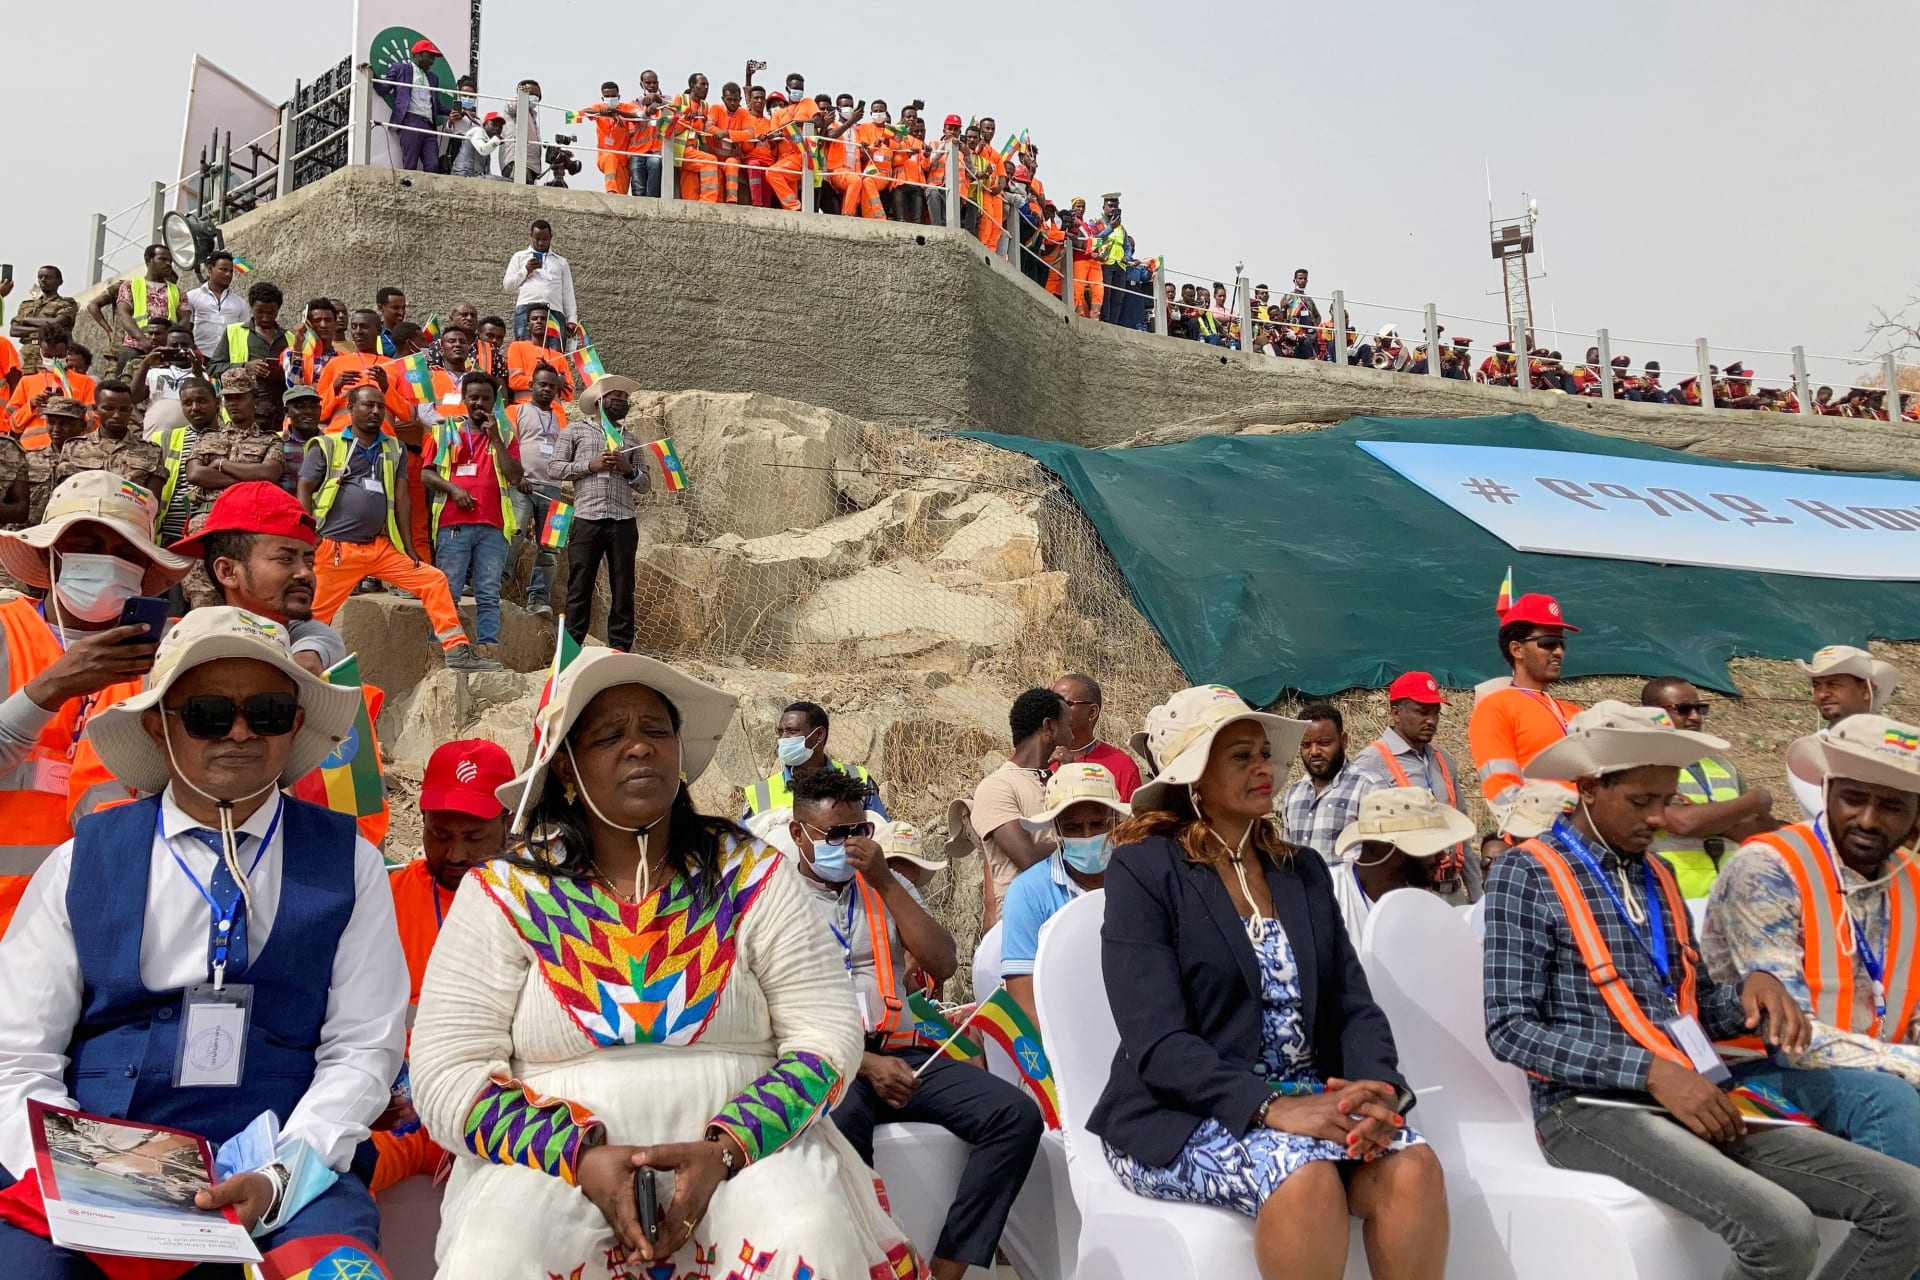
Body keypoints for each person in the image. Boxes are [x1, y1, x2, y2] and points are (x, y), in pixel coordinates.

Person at [407, 647, 922, 1278]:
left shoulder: (752, 874)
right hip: (551, 1165)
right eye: (609, 735)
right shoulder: (505, 892)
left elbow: (825, 1035)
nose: (640, 748)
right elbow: (445, 1072)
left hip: (750, 1154)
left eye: (657, 731)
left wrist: (725, 1149)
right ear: (566, 769)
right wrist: (579, 1157)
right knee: (499, 1255)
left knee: (803, 1232)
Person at [0, 605, 408, 1268]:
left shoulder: (352, 861)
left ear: (295, 724)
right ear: (161, 730)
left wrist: (282, 1176)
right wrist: (85, 1172)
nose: (241, 733)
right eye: (209, 715)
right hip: (95, 1169)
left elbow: (362, 1050)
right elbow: (16, 1056)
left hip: (287, 1170)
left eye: (269, 712)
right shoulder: (81, 861)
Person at [1483, 701, 1920, 1280]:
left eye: (1666, 800)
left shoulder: (1656, 874)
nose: (1660, 819)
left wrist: (1748, 994)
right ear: (1589, 787)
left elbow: (1687, 1008)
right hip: (1589, 1108)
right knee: (1782, 1232)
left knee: (1907, 1203)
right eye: (1641, 802)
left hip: (1694, 1086)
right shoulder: (1529, 871)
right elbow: (1510, 1029)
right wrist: (1650, 1072)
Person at [1093, 683, 1446, 1279]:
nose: (1265, 767)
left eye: (1264, 753)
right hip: (1181, 1114)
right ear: (1194, 778)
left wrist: (1378, 1092)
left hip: (1310, 1104)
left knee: (1414, 1167)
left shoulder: (1301, 871)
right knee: (1305, 1177)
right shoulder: (1145, 869)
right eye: (1241, 756)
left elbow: (1352, 1007)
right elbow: (1158, 1041)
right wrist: (1268, 1106)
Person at [779, 770, 1037, 1280]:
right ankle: (865, 1265)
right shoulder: (775, 895)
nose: (849, 845)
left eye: (859, 832)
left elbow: (942, 962)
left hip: (900, 1048)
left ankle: (945, 1269)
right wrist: (864, 1064)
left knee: (1014, 1116)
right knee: (843, 1120)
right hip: (820, 1060)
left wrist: (883, 882)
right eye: (833, 834)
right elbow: (772, 1014)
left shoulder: (883, 885)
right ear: (798, 834)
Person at [1702, 713, 1920, 1166]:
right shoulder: (1768, 867)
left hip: (1879, 1069)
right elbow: (1791, 1045)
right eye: (1853, 800)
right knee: (1888, 1099)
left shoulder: (1911, 880)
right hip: (1753, 1074)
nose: (1867, 820)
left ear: (1916, 819)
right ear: (1827, 792)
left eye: (1891, 807)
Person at [0, 474, 186, 930]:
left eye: (125, 553)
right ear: (50, 555)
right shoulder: (4, 632)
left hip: (117, 925)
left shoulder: (175, 656)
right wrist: (49, 690)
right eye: (86, 544)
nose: (106, 562)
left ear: (145, 569)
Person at [362, 737, 515, 1195]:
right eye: (439, 834)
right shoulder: (385, 899)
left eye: (473, 838)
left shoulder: (541, 903)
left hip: (499, 1116)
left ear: (508, 823)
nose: (454, 855)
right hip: (402, 1115)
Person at [299, 385, 499, 672]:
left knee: (433, 579)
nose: (376, 411)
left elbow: (403, 497)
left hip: (379, 546)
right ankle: (305, 668)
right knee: (316, 617)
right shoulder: (328, 445)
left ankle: (456, 652)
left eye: (381, 406)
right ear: (351, 409)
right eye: (368, 405)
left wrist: (407, 547)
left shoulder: (394, 448)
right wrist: (311, 537)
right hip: (336, 547)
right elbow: (304, 487)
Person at [1001, 762, 1128, 1022]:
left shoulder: (1139, 879)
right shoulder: (1028, 893)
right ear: (1057, 828)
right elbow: (1024, 1000)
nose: (1087, 835)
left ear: (1115, 822)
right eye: (1073, 828)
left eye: (1097, 824)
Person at [1641, 677, 1779, 899]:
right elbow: (1681, 822)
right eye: (1683, 709)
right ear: (1652, 714)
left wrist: (1705, 817)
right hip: (1672, 895)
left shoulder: (1723, 766)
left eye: (1700, 708)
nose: (1695, 717)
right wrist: (1753, 801)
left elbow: (1765, 829)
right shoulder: (1644, 764)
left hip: (1732, 895)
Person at [1348, 670, 1480, 903]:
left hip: (1453, 893)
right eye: (1422, 712)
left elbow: (1463, 838)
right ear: (1396, 713)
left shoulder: (1443, 760)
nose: (1431, 720)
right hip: (1407, 895)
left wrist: (1478, 897)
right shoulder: (1370, 763)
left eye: (1435, 713)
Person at [422, 372, 523, 659]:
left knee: (489, 594)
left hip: (493, 527)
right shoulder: (443, 432)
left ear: (495, 402)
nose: (479, 403)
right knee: (449, 592)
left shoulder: (506, 434)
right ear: (464, 399)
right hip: (453, 525)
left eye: (486, 398)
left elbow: (515, 476)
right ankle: (443, 653)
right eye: (474, 397)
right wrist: (453, 489)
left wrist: (496, 440)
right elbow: (426, 474)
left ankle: (487, 650)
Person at [552, 375, 649, 653]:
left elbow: (645, 485)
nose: (621, 401)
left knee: (623, 586)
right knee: (579, 585)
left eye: (625, 398)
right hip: (587, 517)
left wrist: (628, 469)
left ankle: (619, 647)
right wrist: (590, 465)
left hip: (623, 520)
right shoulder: (574, 431)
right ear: (599, 401)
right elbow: (555, 468)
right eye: (615, 396)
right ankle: (569, 650)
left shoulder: (631, 439)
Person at [1469, 592, 1582, 814]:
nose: (1558, 651)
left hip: (1591, 840)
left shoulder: (1576, 713)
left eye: (1561, 643)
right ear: (1517, 649)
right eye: (1548, 642)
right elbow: (1501, 794)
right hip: (1542, 839)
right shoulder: (1496, 707)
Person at [970, 687, 1069, 931]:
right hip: (1023, 926)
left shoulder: (1058, 780)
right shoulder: (997, 786)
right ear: (1049, 727)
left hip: (1065, 919)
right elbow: (1026, 856)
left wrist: (1069, 777)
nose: (1072, 736)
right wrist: (1087, 841)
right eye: (1068, 725)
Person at [1329, 786, 1478, 941]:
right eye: (1431, 847)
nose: (1442, 857)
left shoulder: (1424, 905)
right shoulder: (1330, 894)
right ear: (1390, 848)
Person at [1786, 645, 1904, 819]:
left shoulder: (1899, 744)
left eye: (1834, 684)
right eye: (1817, 686)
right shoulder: (1810, 753)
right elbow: (1837, 816)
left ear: (1865, 690)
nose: (1822, 694)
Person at [743, 699, 883, 818]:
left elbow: (882, 832)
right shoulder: (760, 794)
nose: (783, 738)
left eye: (792, 731)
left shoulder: (857, 778)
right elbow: (741, 846)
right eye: (780, 732)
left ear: (819, 735)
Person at [504, 363, 567, 619]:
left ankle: (539, 599)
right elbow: (506, 445)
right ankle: (493, 588)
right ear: (531, 386)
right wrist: (517, 476)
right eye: (542, 384)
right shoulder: (515, 410)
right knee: (514, 534)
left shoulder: (562, 416)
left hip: (553, 489)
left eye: (552, 386)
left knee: (552, 547)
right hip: (522, 485)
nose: (547, 389)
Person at [49, 380, 164, 497]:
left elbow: (152, 504)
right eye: (109, 408)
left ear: (130, 411)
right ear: (95, 409)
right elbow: (62, 496)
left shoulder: (151, 452)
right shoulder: (73, 447)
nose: (116, 415)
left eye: (123, 410)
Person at [1283, 704, 1368, 862]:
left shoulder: (1366, 788)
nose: (1314, 751)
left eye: (1324, 743)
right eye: (1306, 745)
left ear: (1343, 740)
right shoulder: (1293, 795)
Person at [1047, 671, 1142, 799]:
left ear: (1092, 712)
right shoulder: (1036, 758)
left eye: (1065, 704)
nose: (1054, 710)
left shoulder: (1122, 767)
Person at [7, 322, 96, 453]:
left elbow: (94, 422)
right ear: (40, 352)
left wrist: (68, 407)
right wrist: (31, 405)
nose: (54, 360)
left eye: (59, 356)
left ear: (67, 352)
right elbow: (13, 424)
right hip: (33, 450)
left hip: (74, 450)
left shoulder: (86, 382)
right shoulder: (27, 382)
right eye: (48, 356)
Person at [100, 244, 184, 379]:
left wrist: (173, 341)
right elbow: (123, 313)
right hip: (134, 347)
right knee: (124, 387)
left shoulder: (177, 291)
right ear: (148, 260)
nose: (168, 264)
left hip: (166, 349)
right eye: (162, 259)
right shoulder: (130, 285)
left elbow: (185, 317)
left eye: (170, 260)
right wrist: (142, 339)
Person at [503, 220, 577, 341]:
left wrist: (572, 319)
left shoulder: (561, 262)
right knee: (526, 350)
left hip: (554, 311)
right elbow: (508, 286)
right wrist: (526, 270)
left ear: (551, 237)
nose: (541, 242)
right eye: (537, 238)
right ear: (530, 235)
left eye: (545, 239)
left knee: (555, 353)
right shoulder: (520, 257)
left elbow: (568, 292)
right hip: (526, 310)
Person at [386, 38, 447, 172]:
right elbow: (383, 88)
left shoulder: (433, 78)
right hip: (410, 121)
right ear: (419, 54)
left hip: (429, 126)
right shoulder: (400, 69)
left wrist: (458, 111)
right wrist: (368, 72)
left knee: (433, 165)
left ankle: (429, 193)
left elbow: (437, 106)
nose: (433, 60)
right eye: (430, 56)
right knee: (410, 163)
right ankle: (408, 192)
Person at [7, 267, 78, 375]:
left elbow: (57, 323)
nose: (43, 280)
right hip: (27, 353)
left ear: (60, 282)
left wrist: (26, 320)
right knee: (24, 385)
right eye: (40, 277)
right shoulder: (26, 305)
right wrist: (46, 327)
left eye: (48, 277)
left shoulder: (67, 303)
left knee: (49, 384)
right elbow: (14, 330)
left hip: (51, 353)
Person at [504, 301, 576, 404]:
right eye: (534, 318)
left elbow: (570, 394)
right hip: (525, 406)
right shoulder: (517, 347)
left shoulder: (559, 357)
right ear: (528, 325)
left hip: (554, 410)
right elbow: (515, 381)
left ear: (549, 324)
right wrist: (553, 381)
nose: (539, 321)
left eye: (543, 319)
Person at [184, 251, 249, 360]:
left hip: (228, 360)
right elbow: (186, 327)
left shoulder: (240, 303)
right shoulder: (192, 297)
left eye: (231, 271)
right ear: (210, 269)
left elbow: (245, 333)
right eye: (223, 270)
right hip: (200, 357)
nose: (228, 274)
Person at [453, 110, 508, 178]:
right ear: (484, 125)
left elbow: (487, 172)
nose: (497, 128)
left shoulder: (486, 143)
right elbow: (483, 150)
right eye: (493, 124)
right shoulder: (477, 131)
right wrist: (495, 141)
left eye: (500, 127)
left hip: (473, 176)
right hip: (463, 173)